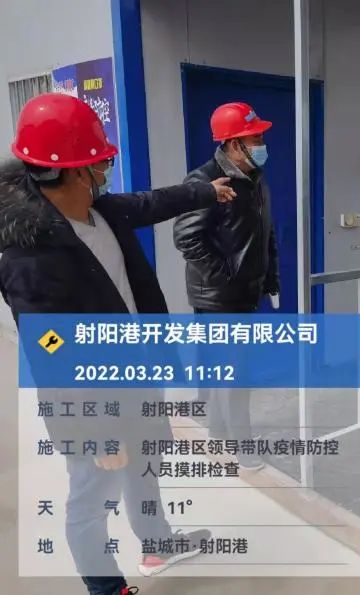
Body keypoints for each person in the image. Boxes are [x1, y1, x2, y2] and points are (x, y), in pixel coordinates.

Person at [0, 93, 236, 595]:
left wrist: (205, 191)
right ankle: (107, 588)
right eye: (101, 161)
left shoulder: (98, 209)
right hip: (90, 400)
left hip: (135, 372)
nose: (108, 168)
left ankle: (157, 543)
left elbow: (151, 203)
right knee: (91, 497)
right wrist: (98, 431)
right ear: (77, 172)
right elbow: (51, 353)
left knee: (143, 464)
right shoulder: (29, 255)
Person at [173, 102, 280, 471]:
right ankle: (243, 450)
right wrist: (226, 279)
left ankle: (218, 432)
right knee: (235, 374)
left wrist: (270, 277)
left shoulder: (255, 177)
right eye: (256, 139)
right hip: (219, 298)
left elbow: (265, 232)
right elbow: (186, 238)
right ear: (234, 144)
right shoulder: (204, 181)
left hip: (244, 293)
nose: (262, 145)